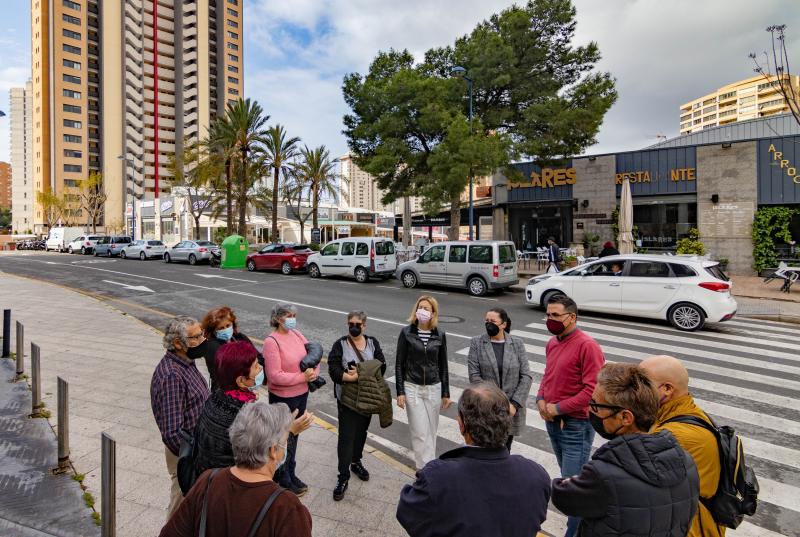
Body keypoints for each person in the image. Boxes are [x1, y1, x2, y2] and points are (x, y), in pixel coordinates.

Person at [551, 363, 700, 537]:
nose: (591, 411)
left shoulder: (603, 474)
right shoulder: (687, 462)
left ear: (625, 417)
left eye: (596, 406)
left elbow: (563, 496)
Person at [396, 382, 550, 537]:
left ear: (462, 425)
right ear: (507, 422)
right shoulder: (537, 476)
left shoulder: (438, 479)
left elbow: (408, 513)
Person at [160, 401, 313, 537]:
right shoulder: (287, 508)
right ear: (273, 450)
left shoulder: (208, 481)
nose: (285, 446)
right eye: (285, 440)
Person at [192, 341, 314, 479]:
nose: (261, 368)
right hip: (231, 488)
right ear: (241, 381)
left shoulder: (215, 397)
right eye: (256, 366)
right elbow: (263, 464)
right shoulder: (245, 417)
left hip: (204, 478)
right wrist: (290, 431)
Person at [536, 294, 605, 537]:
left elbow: (592, 390)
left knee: (573, 488)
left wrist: (558, 408)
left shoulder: (587, 346)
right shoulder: (553, 343)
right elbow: (548, 375)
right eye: (548, 314)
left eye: (556, 315)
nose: (550, 320)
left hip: (576, 425)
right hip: (553, 422)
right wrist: (541, 399)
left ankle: (574, 533)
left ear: (572, 317)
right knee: (571, 481)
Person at [640, 355, 725, 537]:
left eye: (642, 383)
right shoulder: (689, 413)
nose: (636, 390)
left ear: (668, 389)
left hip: (687, 528)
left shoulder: (674, 435)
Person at [150, 316, 211, 517]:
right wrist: (196, 460)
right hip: (188, 456)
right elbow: (172, 433)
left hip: (198, 449)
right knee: (181, 508)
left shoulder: (187, 362)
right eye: (196, 337)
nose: (202, 340)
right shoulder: (172, 376)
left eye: (202, 334)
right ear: (178, 343)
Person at [327, 311, 387, 500]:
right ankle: (343, 477)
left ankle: (356, 461)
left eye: (358, 324)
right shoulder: (340, 344)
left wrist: (360, 373)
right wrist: (347, 377)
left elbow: (381, 364)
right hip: (347, 399)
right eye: (351, 323)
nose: (354, 327)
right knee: (346, 437)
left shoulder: (372, 342)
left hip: (366, 397)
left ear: (364, 325)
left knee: (361, 433)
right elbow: (333, 367)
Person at [262, 303, 320, 496]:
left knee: (295, 435)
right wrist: (302, 378)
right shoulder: (272, 341)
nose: (293, 319)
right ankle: (282, 475)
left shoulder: (296, 334)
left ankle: (290, 472)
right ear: (278, 318)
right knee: (283, 437)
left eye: (294, 315)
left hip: (301, 394)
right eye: (289, 315)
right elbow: (274, 375)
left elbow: (313, 356)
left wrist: (312, 373)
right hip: (282, 398)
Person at [395, 295, 451, 470]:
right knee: (419, 432)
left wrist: (446, 393)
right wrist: (400, 392)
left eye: (427, 308)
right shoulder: (406, 333)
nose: (423, 311)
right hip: (412, 387)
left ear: (433, 312)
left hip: (434, 387)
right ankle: (422, 470)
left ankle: (430, 467)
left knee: (431, 432)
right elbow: (399, 363)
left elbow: (443, 365)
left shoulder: (439, 334)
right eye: (420, 307)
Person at [467, 308, 532, 450]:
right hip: (486, 407)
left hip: (511, 409)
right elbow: (474, 375)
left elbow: (526, 376)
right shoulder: (477, 343)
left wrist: (514, 404)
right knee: (485, 447)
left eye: (493, 321)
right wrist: (490, 401)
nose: (488, 324)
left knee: (505, 448)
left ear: (503, 324)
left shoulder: (517, 343)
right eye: (486, 321)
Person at [200, 306, 262, 391]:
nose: (225, 329)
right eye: (221, 328)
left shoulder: (240, 337)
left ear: (233, 324)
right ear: (213, 330)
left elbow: (258, 357)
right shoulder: (212, 347)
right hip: (226, 391)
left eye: (228, 325)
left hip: (244, 387)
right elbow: (228, 373)